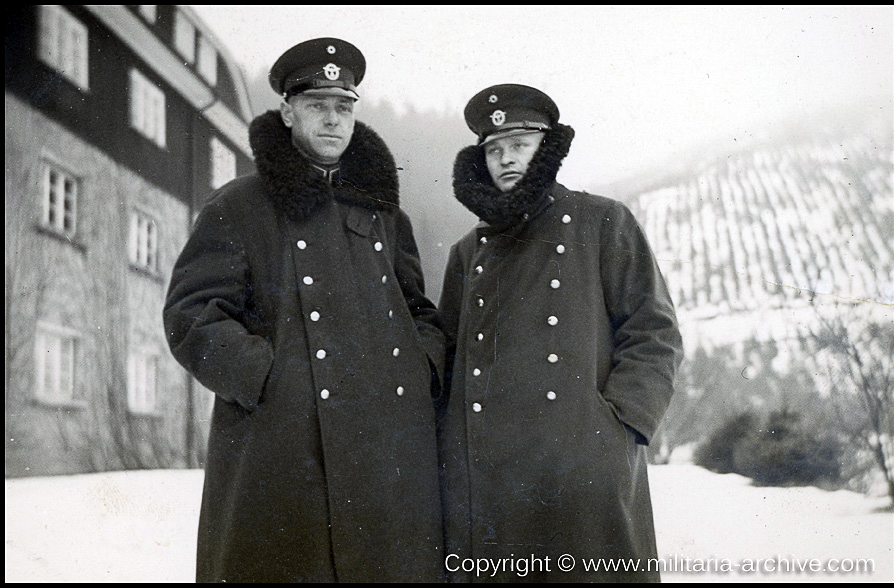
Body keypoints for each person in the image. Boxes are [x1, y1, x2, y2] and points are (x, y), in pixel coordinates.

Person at [163, 38, 445, 583]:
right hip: (283, 450)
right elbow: (192, 314)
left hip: (382, 453)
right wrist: (270, 376)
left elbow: (420, 314)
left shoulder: (386, 216)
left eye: (344, 107)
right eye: (318, 106)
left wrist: (420, 369)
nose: (334, 120)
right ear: (288, 112)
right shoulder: (238, 206)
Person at [438, 84, 683, 582]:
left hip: (582, 476)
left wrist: (618, 430)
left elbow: (654, 330)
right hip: (491, 485)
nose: (507, 158)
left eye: (520, 144)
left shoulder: (603, 221)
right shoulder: (467, 253)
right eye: (494, 149)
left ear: (547, 148)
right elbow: (447, 357)